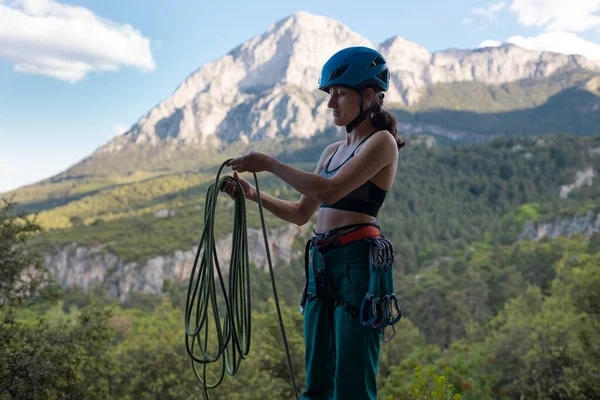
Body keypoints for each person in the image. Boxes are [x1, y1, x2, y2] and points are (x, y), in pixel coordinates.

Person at [222, 46, 405, 400]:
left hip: (358, 265)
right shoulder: (332, 151)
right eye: (329, 94)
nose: (330, 103)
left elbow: (330, 190)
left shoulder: (382, 143)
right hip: (322, 263)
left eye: (339, 93)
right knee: (317, 383)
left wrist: (271, 164)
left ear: (368, 95)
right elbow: (301, 214)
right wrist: (250, 194)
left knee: (351, 385)